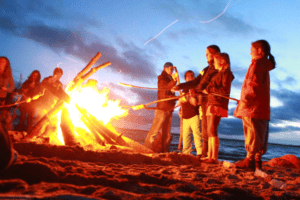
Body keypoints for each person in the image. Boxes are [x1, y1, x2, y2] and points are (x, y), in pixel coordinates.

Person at [233, 40, 276, 171]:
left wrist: (244, 101)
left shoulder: (257, 64)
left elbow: (252, 85)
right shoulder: (264, 65)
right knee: (259, 135)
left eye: (252, 49)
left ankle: (250, 160)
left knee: (252, 133)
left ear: (259, 51)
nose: (250, 52)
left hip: (253, 108)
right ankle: (257, 162)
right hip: (261, 109)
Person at [172, 45, 220, 158]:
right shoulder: (206, 69)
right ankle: (203, 154)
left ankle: (209, 155)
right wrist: (180, 86)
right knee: (204, 131)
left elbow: (204, 84)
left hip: (211, 102)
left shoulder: (218, 68)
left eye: (207, 53)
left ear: (213, 55)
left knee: (210, 130)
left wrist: (198, 91)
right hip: (204, 103)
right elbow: (197, 81)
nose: (205, 56)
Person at [201, 53, 234, 164]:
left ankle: (214, 158)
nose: (213, 63)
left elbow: (224, 91)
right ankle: (210, 156)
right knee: (210, 130)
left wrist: (210, 90)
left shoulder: (227, 74)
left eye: (215, 61)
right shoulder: (218, 73)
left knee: (212, 129)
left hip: (218, 103)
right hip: (212, 102)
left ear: (222, 62)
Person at [144, 62, 178, 153]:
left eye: (172, 69)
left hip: (169, 109)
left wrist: (175, 98)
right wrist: (174, 80)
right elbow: (165, 88)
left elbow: (170, 91)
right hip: (162, 109)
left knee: (165, 134)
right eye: (169, 69)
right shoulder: (161, 77)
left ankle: (163, 151)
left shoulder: (170, 78)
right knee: (154, 131)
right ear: (165, 69)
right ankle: (146, 148)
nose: (171, 70)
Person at [179, 70, 202, 156]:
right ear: (185, 78)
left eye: (191, 76)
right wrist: (180, 110)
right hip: (185, 116)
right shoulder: (184, 89)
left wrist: (192, 97)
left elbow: (198, 101)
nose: (190, 77)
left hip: (194, 115)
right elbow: (182, 102)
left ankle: (200, 153)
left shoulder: (196, 87)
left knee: (197, 135)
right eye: (188, 76)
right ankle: (186, 154)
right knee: (185, 137)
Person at [0, 57, 15, 130]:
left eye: (3, 62)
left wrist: (7, 89)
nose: (1, 62)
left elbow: (12, 86)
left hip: (2, 97)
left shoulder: (8, 74)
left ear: (6, 64)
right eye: (0, 61)